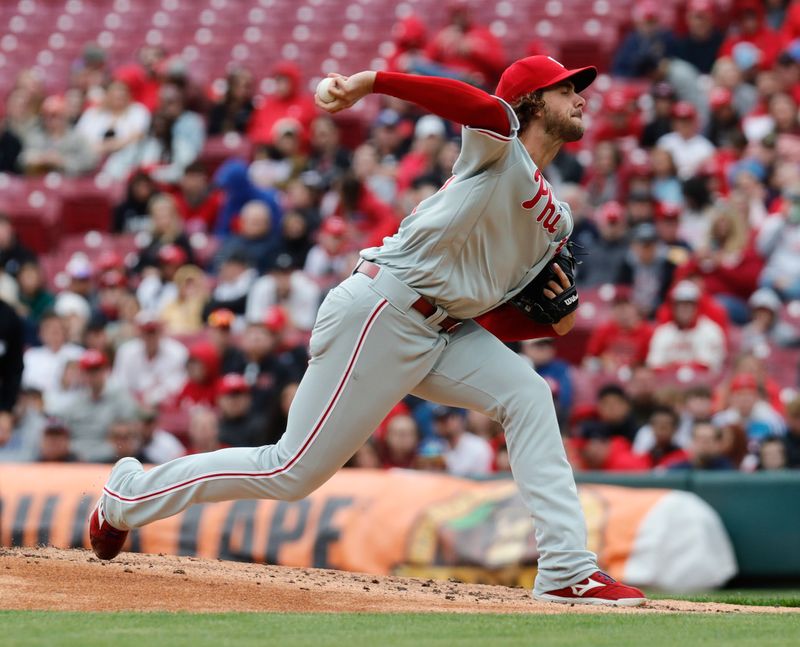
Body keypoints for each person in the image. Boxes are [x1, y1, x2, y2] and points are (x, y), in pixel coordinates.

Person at [90, 55, 646, 606]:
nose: (580, 97)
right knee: (290, 471)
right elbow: (479, 105)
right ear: (530, 101)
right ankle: (128, 494)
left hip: (445, 328)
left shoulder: (560, 219)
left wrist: (562, 315)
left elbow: (507, 315)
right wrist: (373, 82)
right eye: (565, 88)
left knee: (527, 395)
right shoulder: (498, 149)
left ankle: (567, 569)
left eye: (579, 88)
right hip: (384, 308)